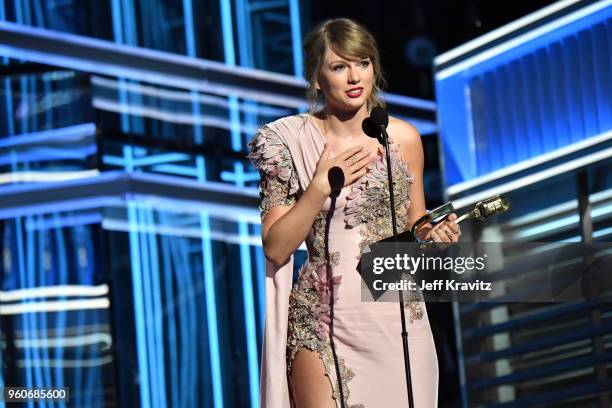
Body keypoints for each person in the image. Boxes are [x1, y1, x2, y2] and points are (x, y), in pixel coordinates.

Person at [247, 18, 461, 408]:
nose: (353, 76)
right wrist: (319, 188)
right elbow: (276, 248)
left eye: (362, 63)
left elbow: (416, 229)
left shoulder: (403, 139)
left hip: (395, 320)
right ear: (316, 78)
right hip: (322, 321)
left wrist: (436, 235)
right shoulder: (285, 141)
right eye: (339, 66)